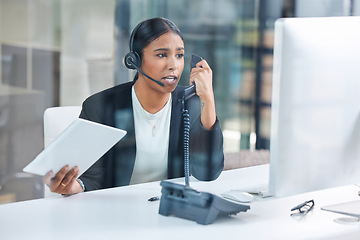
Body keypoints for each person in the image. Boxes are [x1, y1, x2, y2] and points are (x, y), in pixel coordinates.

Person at [43, 17, 224, 195]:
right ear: (135, 61)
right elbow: (91, 178)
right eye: (161, 55)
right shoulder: (100, 106)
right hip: (116, 213)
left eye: (179, 55)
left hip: (169, 211)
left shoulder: (188, 104)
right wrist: (73, 187)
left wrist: (207, 97)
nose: (173, 65)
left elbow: (207, 173)